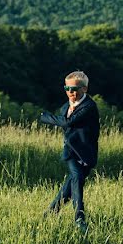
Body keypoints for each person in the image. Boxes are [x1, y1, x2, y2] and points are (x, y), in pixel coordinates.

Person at [39, 71, 100, 233]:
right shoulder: (65, 106)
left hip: (86, 153)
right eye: (67, 88)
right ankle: (79, 217)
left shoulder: (89, 106)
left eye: (74, 89)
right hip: (71, 152)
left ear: (84, 89)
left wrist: (44, 117)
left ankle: (49, 214)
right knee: (77, 178)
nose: (70, 92)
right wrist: (57, 120)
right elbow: (65, 122)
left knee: (67, 191)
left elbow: (68, 122)